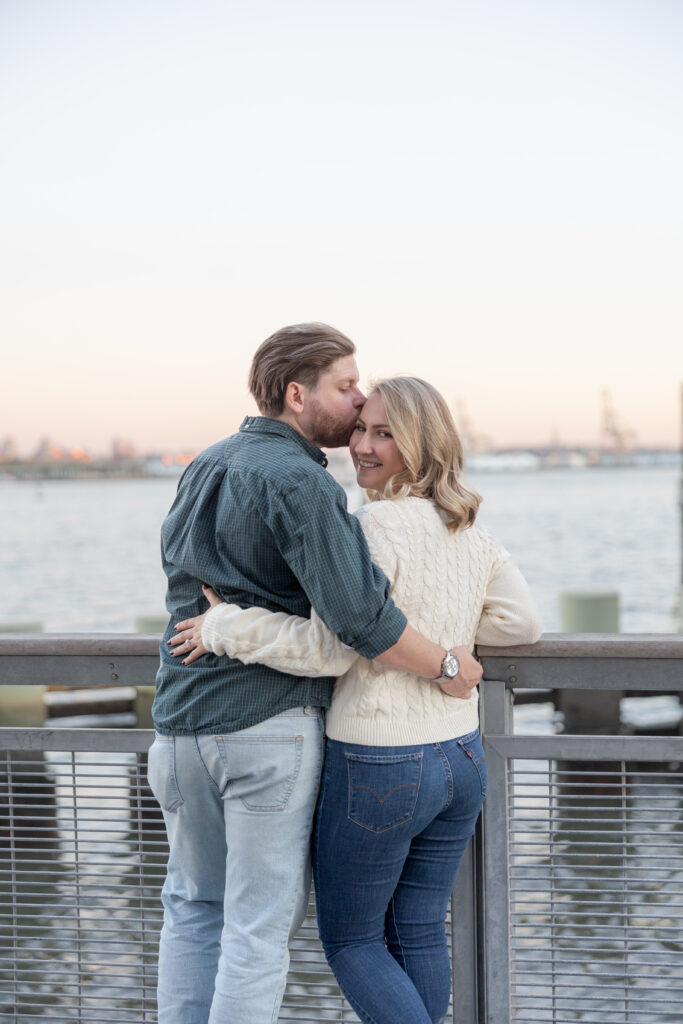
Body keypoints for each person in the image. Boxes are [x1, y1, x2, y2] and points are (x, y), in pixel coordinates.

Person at [172, 376, 542, 1024]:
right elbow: (520, 624)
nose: (362, 447)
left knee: (351, 941)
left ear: (421, 443)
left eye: (384, 434)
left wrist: (224, 625)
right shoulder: (468, 527)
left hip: (381, 765)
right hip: (459, 757)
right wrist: (445, 635)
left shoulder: (369, 526)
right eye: (360, 430)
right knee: (419, 928)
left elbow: (331, 648)